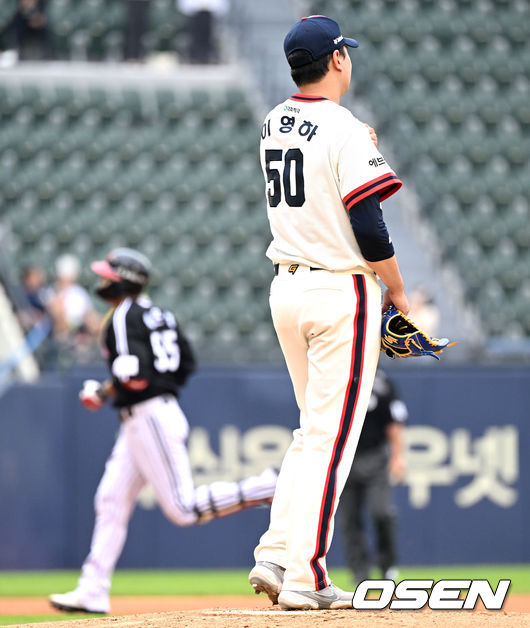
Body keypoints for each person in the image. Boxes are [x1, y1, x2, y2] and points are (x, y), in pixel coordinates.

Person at [248, 15, 409, 611]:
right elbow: (368, 220)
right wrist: (397, 288)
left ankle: (275, 552)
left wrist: (352, 136)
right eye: (346, 52)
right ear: (338, 59)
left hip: (287, 288)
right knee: (331, 442)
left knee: (311, 434)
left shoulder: (273, 121)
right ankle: (305, 576)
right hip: (341, 291)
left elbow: (313, 148)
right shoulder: (340, 128)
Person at [49, 247, 277, 614]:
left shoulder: (123, 314)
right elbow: (185, 363)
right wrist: (147, 387)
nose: (102, 280)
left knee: (182, 508)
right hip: (147, 415)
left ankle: (268, 485)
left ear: (124, 279)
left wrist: (105, 391)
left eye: (108, 274)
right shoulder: (160, 313)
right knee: (110, 500)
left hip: (148, 415)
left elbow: (133, 374)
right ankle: (92, 589)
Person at [339, 369, 407, 586]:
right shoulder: (336, 375)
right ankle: (359, 572)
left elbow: (394, 422)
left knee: (382, 512)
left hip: (375, 456)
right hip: (344, 458)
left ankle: (387, 566)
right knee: (350, 519)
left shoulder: (381, 381)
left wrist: (397, 457)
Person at [47, 254, 101, 363]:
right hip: (62, 336)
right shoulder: (52, 292)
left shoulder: (79, 292)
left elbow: (90, 316)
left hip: (81, 331)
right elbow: (58, 321)